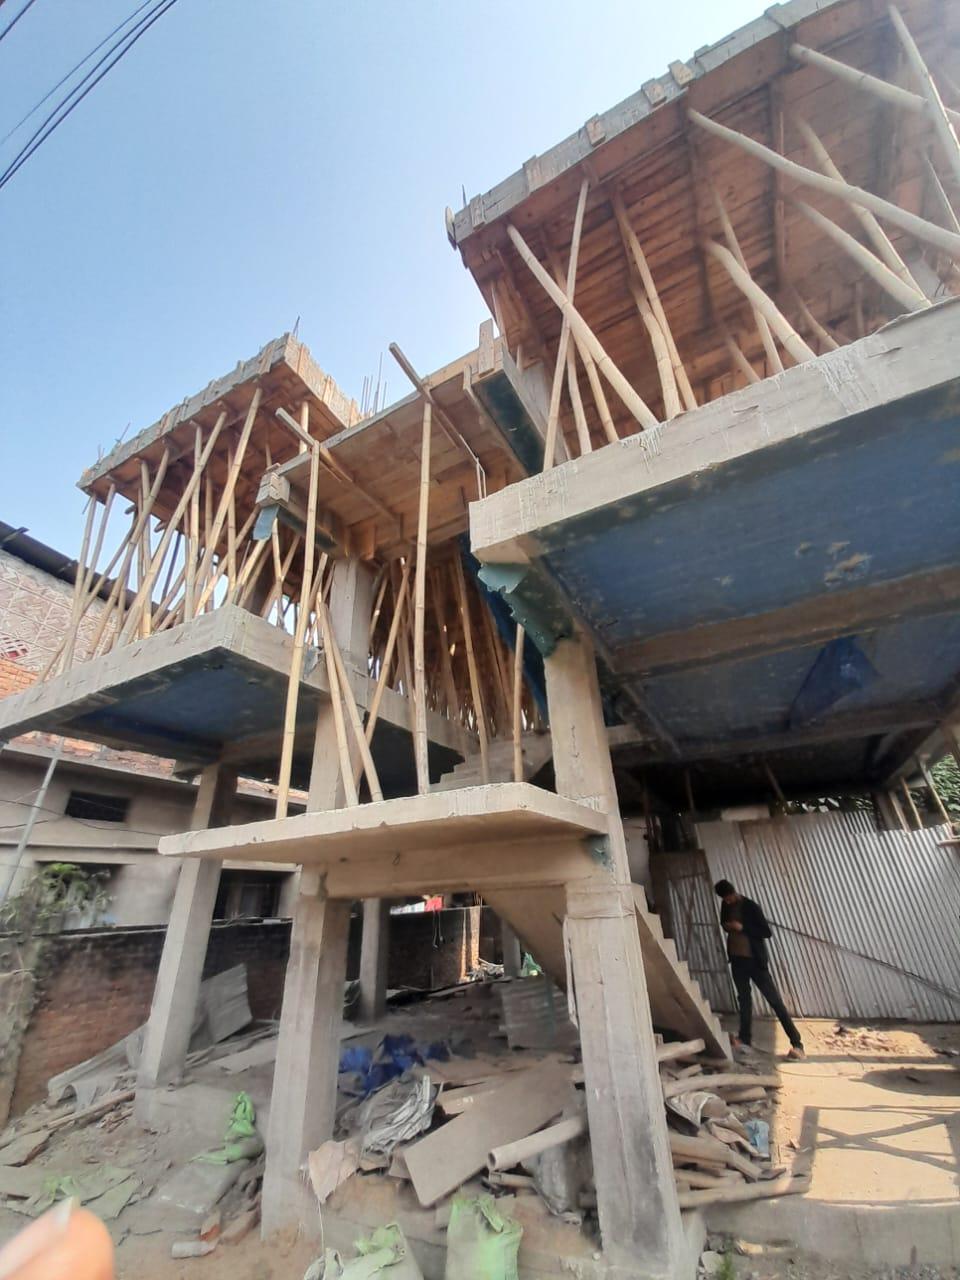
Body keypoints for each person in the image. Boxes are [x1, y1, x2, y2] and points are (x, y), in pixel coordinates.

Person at [714, 879, 804, 1059]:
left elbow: (766, 932)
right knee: (744, 1001)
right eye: (725, 899)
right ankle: (744, 1039)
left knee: (774, 1000)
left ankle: (797, 1043)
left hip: (754, 961)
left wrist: (742, 927)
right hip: (737, 961)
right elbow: (723, 923)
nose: (728, 902)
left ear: (734, 892)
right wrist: (728, 926)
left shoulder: (751, 906)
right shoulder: (725, 905)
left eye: (729, 898)